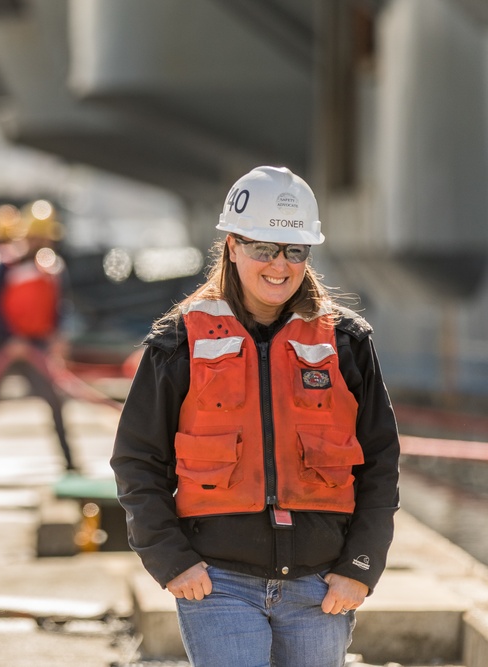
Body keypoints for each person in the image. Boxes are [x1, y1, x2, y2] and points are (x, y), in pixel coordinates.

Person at [110, 166, 400, 667]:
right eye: (263, 248)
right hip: (218, 585)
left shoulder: (347, 343)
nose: (279, 265)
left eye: (294, 250)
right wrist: (172, 561)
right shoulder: (179, 342)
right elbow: (137, 458)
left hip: (319, 586)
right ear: (232, 247)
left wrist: (361, 565)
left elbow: (380, 460)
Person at [0, 200, 78, 477]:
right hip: (4, 343)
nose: (43, 240)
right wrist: (11, 338)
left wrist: (57, 337)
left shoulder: (53, 267)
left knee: (54, 400)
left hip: (36, 344)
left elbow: (59, 305)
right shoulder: (5, 263)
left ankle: (69, 462)